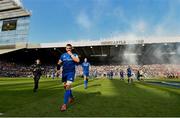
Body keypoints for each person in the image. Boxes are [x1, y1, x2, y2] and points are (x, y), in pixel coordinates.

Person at [57, 44, 80, 112]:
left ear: (71, 48)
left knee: (68, 87)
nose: (68, 49)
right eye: (67, 48)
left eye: (69, 48)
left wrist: (71, 55)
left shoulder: (75, 54)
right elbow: (59, 62)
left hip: (71, 73)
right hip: (64, 73)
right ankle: (72, 97)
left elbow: (77, 61)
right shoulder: (63, 55)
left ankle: (64, 105)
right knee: (65, 87)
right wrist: (58, 69)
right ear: (65, 49)